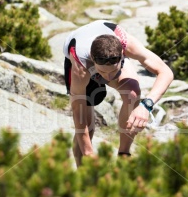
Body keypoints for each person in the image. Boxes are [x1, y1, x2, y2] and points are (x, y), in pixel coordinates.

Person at [63, 20, 174, 166]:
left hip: (106, 52)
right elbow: (78, 110)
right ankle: (83, 173)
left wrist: (146, 105)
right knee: (86, 130)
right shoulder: (81, 65)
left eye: (113, 71)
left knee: (132, 93)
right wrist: (88, 153)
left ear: (122, 55)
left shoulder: (127, 44)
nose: (108, 78)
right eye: (103, 72)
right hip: (86, 64)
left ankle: (124, 154)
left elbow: (165, 72)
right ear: (92, 58)